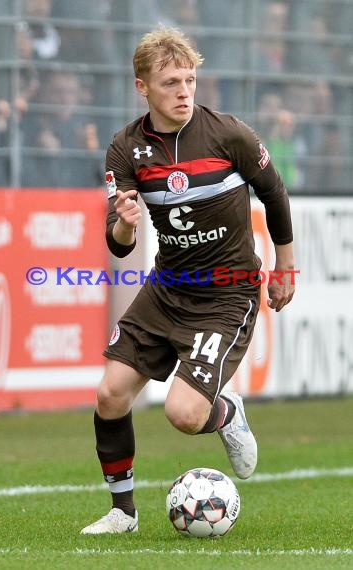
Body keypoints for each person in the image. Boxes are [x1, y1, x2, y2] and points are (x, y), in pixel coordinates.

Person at [81, 27, 295, 535]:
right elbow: (118, 245)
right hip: (167, 288)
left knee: (182, 413)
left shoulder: (229, 134)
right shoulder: (125, 148)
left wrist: (284, 267)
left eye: (190, 80)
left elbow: (276, 193)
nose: (184, 91)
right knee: (110, 394)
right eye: (171, 82)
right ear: (143, 87)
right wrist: (125, 223)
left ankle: (225, 412)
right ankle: (122, 513)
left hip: (226, 293)